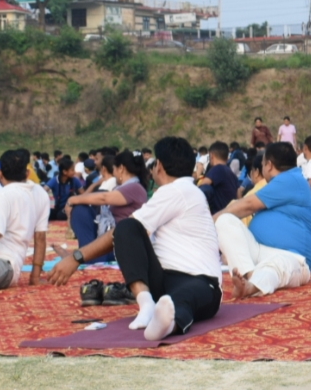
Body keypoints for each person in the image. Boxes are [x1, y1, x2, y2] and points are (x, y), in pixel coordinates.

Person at [50, 137, 223, 341]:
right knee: (127, 227)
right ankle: (147, 304)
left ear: (159, 166)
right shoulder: (177, 191)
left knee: (181, 299)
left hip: (202, 282)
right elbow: (126, 231)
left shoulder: (178, 190)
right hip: (165, 278)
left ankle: (166, 323)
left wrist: (76, 257)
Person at [214, 142, 311, 299]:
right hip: (260, 251)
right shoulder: (283, 182)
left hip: (294, 258)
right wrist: (215, 220)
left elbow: (248, 205)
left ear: (269, 165)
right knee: (224, 221)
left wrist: (207, 221)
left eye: (262, 164)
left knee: (275, 265)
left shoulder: (291, 179)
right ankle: (249, 275)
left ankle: (250, 285)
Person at [0, 150, 50, 293]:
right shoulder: (41, 193)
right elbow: (40, 238)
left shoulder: (2, 194)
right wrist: (35, 276)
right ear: (27, 173)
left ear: (0, 173)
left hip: (4, 262)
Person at [65, 152, 149, 265]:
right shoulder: (127, 187)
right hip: (114, 237)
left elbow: (104, 198)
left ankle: (89, 256)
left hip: (123, 242)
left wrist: (72, 200)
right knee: (82, 210)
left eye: (114, 168)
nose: (113, 172)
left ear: (121, 169)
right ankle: (86, 253)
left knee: (80, 210)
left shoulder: (134, 187)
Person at [198, 142, 239, 215]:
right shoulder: (231, 173)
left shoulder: (217, 169)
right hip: (229, 214)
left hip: (218, 215)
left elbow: (201, 188)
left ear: (211, 155)